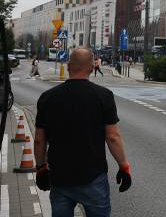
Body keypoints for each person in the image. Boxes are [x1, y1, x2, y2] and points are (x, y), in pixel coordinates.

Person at [34, 47, 131, 217]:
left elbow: (39, 140)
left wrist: (41, 168)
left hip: (60, 177)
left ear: (69, 66)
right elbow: (113, 137)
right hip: (93, 178)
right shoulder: (104, 96)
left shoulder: (47, 97)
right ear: (92, 68)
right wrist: (124, 166)